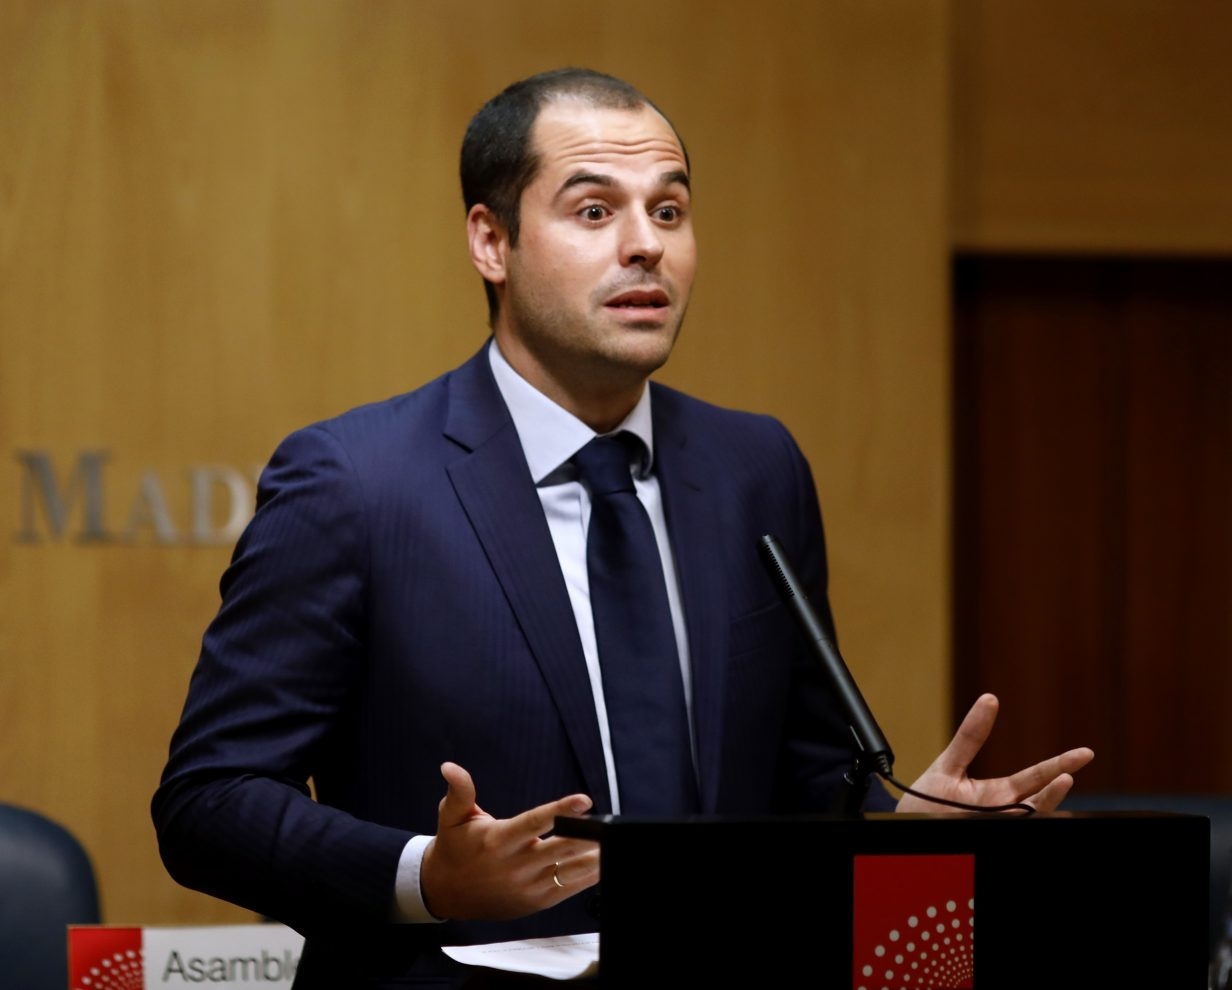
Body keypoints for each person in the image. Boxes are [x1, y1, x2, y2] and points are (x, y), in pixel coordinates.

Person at [152, 67, 1094, 988]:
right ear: (492, 240)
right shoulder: (356, 482)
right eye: (596, 212)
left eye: (670, 212)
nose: (646, 246)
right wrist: (424, 877)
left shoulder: (755, 469)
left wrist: (898, 833)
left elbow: (802, 782)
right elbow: (208, 802)